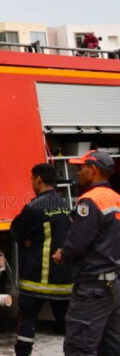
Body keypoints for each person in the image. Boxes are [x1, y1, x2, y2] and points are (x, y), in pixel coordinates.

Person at [52, 150, 120, 356]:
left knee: (79, 347)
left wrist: (62, 254)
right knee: (112, 346)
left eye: (81, 168)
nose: (78, 172)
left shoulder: (89, 201)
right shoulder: (117, 199)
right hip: (115, 286)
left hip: (93, 288)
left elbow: (77, 244)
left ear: (94, 170)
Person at [10, 163, 73, 356]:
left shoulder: (34, 207)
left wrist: (27, 240)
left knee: (27, 322)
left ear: (38, 179)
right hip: (64, 281)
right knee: (68, 325)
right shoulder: (65, 205)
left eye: (31, 179)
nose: (31, 183)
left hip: (36, 280)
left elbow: (15, 229)